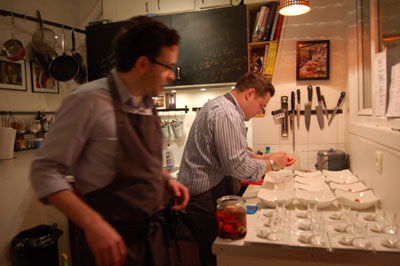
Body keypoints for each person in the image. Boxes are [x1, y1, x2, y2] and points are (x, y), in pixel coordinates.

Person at [30, 16, 189, 266]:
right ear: (143, 64)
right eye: (168, 67)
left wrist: (165, 179)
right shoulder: (87, 101)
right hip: (110, 246)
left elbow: (137, 159)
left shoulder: (147, 102)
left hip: (153, 241)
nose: (172, 75)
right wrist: (92, 223)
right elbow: (44, 171)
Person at [177, 72, 289, 266]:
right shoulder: (227, 114)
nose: (259, 112)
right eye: (261, 106)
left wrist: (264, 157)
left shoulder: (222, 107)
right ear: (250, 94)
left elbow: (234, 153)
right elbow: (236, 165)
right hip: (205, 196)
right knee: (216, 255)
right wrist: (273, 164)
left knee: (220, 253)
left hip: (208, 190)